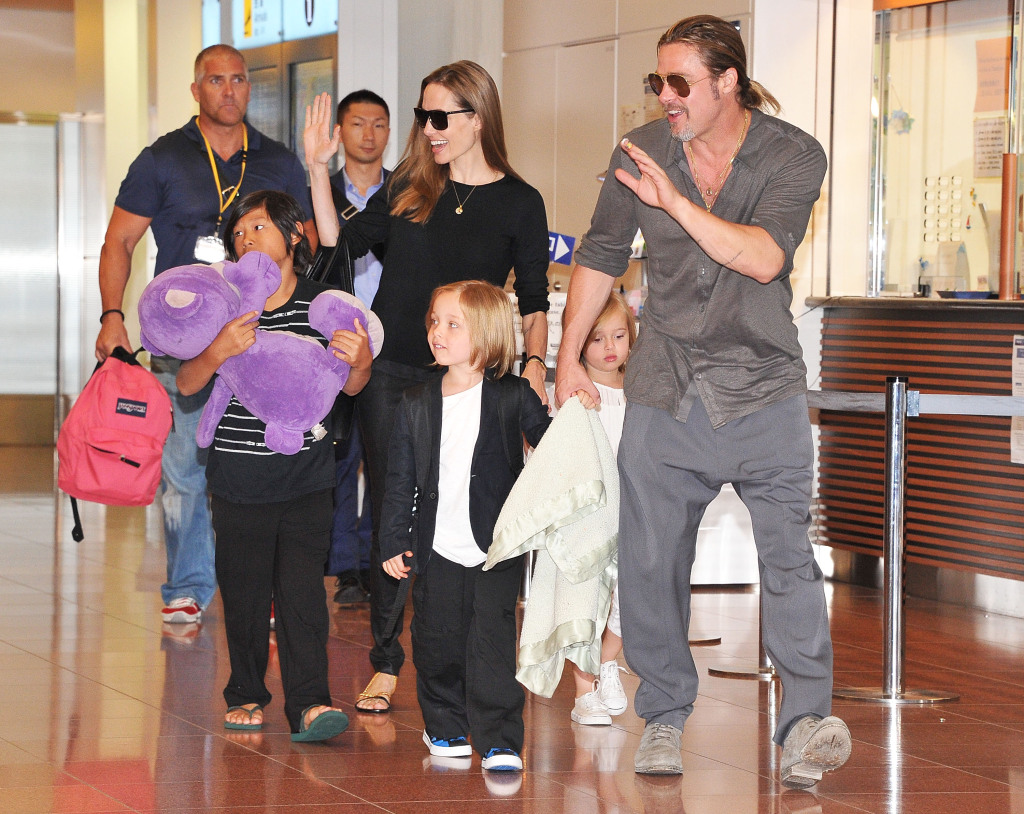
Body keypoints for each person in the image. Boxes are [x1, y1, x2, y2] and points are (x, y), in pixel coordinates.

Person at [554, 14, 851, 788]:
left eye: (680, 82)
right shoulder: (642, 150)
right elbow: (602, 252)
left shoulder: (793, 153)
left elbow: (762, 257)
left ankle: (806, 725)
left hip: (765, 387)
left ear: (728, 82)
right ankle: (662, 716)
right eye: (659, 81)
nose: (666, 96)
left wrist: (678, 205)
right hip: (667, 386)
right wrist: (563, 358)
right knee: (651, 562)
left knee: (790, 559)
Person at [303, 60, 551, 714]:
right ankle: (386, 661)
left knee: (473, 507)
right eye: (423, 116)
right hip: (394, 375)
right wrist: (316, 171)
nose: (429, 129)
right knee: (394, 508)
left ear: (477, 118)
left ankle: (475, 651)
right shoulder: (411, 185)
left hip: (473, 380)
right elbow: (339, 246)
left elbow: (532, 296)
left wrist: (534, 364)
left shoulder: (520, 201)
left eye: (441, 117)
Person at [95, 44, 316, 626]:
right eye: (215, 80)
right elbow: (118, 242)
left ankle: (263, 589)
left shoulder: (279, 161)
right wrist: (112, 315)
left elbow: (309, 244)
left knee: (261, 465)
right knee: (187, 469)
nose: (228, 90)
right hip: (185, 344)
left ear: (249, 87)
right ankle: (189, 585)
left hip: (259, 339)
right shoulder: (162, 158)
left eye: (238, 80)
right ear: (196, 90)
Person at [177, 189, 370, 741]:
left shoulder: (322, 304)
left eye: (256, 228)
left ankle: (310, 704)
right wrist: (217, 351)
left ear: (292, 236)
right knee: (243, 593)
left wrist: (362, 361)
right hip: (237, 479)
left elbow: (351, 386)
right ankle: (245, 694)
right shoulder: (225, 305)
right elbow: (188, 384)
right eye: (236, 235)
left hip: (307, 476)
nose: (244, 241)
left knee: (303, 593)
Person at [380, 280, 550, 772]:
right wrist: (394, 538)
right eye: (435, 320)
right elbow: (399, 479)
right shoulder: (415, 401)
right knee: (436, 639)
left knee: (492, 642)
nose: (438, 331)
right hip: (436, 545)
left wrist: (574, 421)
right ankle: (446, 726)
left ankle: (499, 738)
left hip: (495, 546)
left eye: (453, 323)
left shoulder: (512, 395)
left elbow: (551, 446)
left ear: (488, 333)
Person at [323, 89, 391, 607]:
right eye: (358, 124)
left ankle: (376, 562)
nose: (369, 134)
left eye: (379, 124)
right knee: (339, 455)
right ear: (340, 132)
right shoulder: (319, 195)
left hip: (394, 345)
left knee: (387, 458)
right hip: (335, 347)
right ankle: (345, 567)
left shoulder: (409, 194)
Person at [562, 292, 635, 727]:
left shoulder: (639, 394)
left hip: (633, 513)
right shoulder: (576, 396)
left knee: (628, 601)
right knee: (589, 602)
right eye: (597, 339)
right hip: (590, 517)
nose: (610, 348)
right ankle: (583, 690)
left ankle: (608, 663)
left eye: (620, 336)